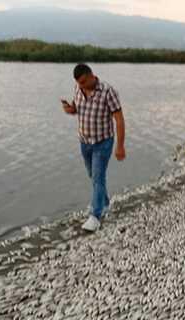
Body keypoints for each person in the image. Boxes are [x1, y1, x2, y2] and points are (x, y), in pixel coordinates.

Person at [61, 64, 126, 232]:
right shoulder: (78, 88)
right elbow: (78, 109)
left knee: (97, 176)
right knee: (93, 176)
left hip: (103, 142)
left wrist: (120, 146)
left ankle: (95, 216)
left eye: (83, 82)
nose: (81, 85)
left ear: (91, 76)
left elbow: (119, 119)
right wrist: (70, 109)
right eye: (78, 83)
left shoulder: (108, 91)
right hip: (84, 142)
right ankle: (104, 203)